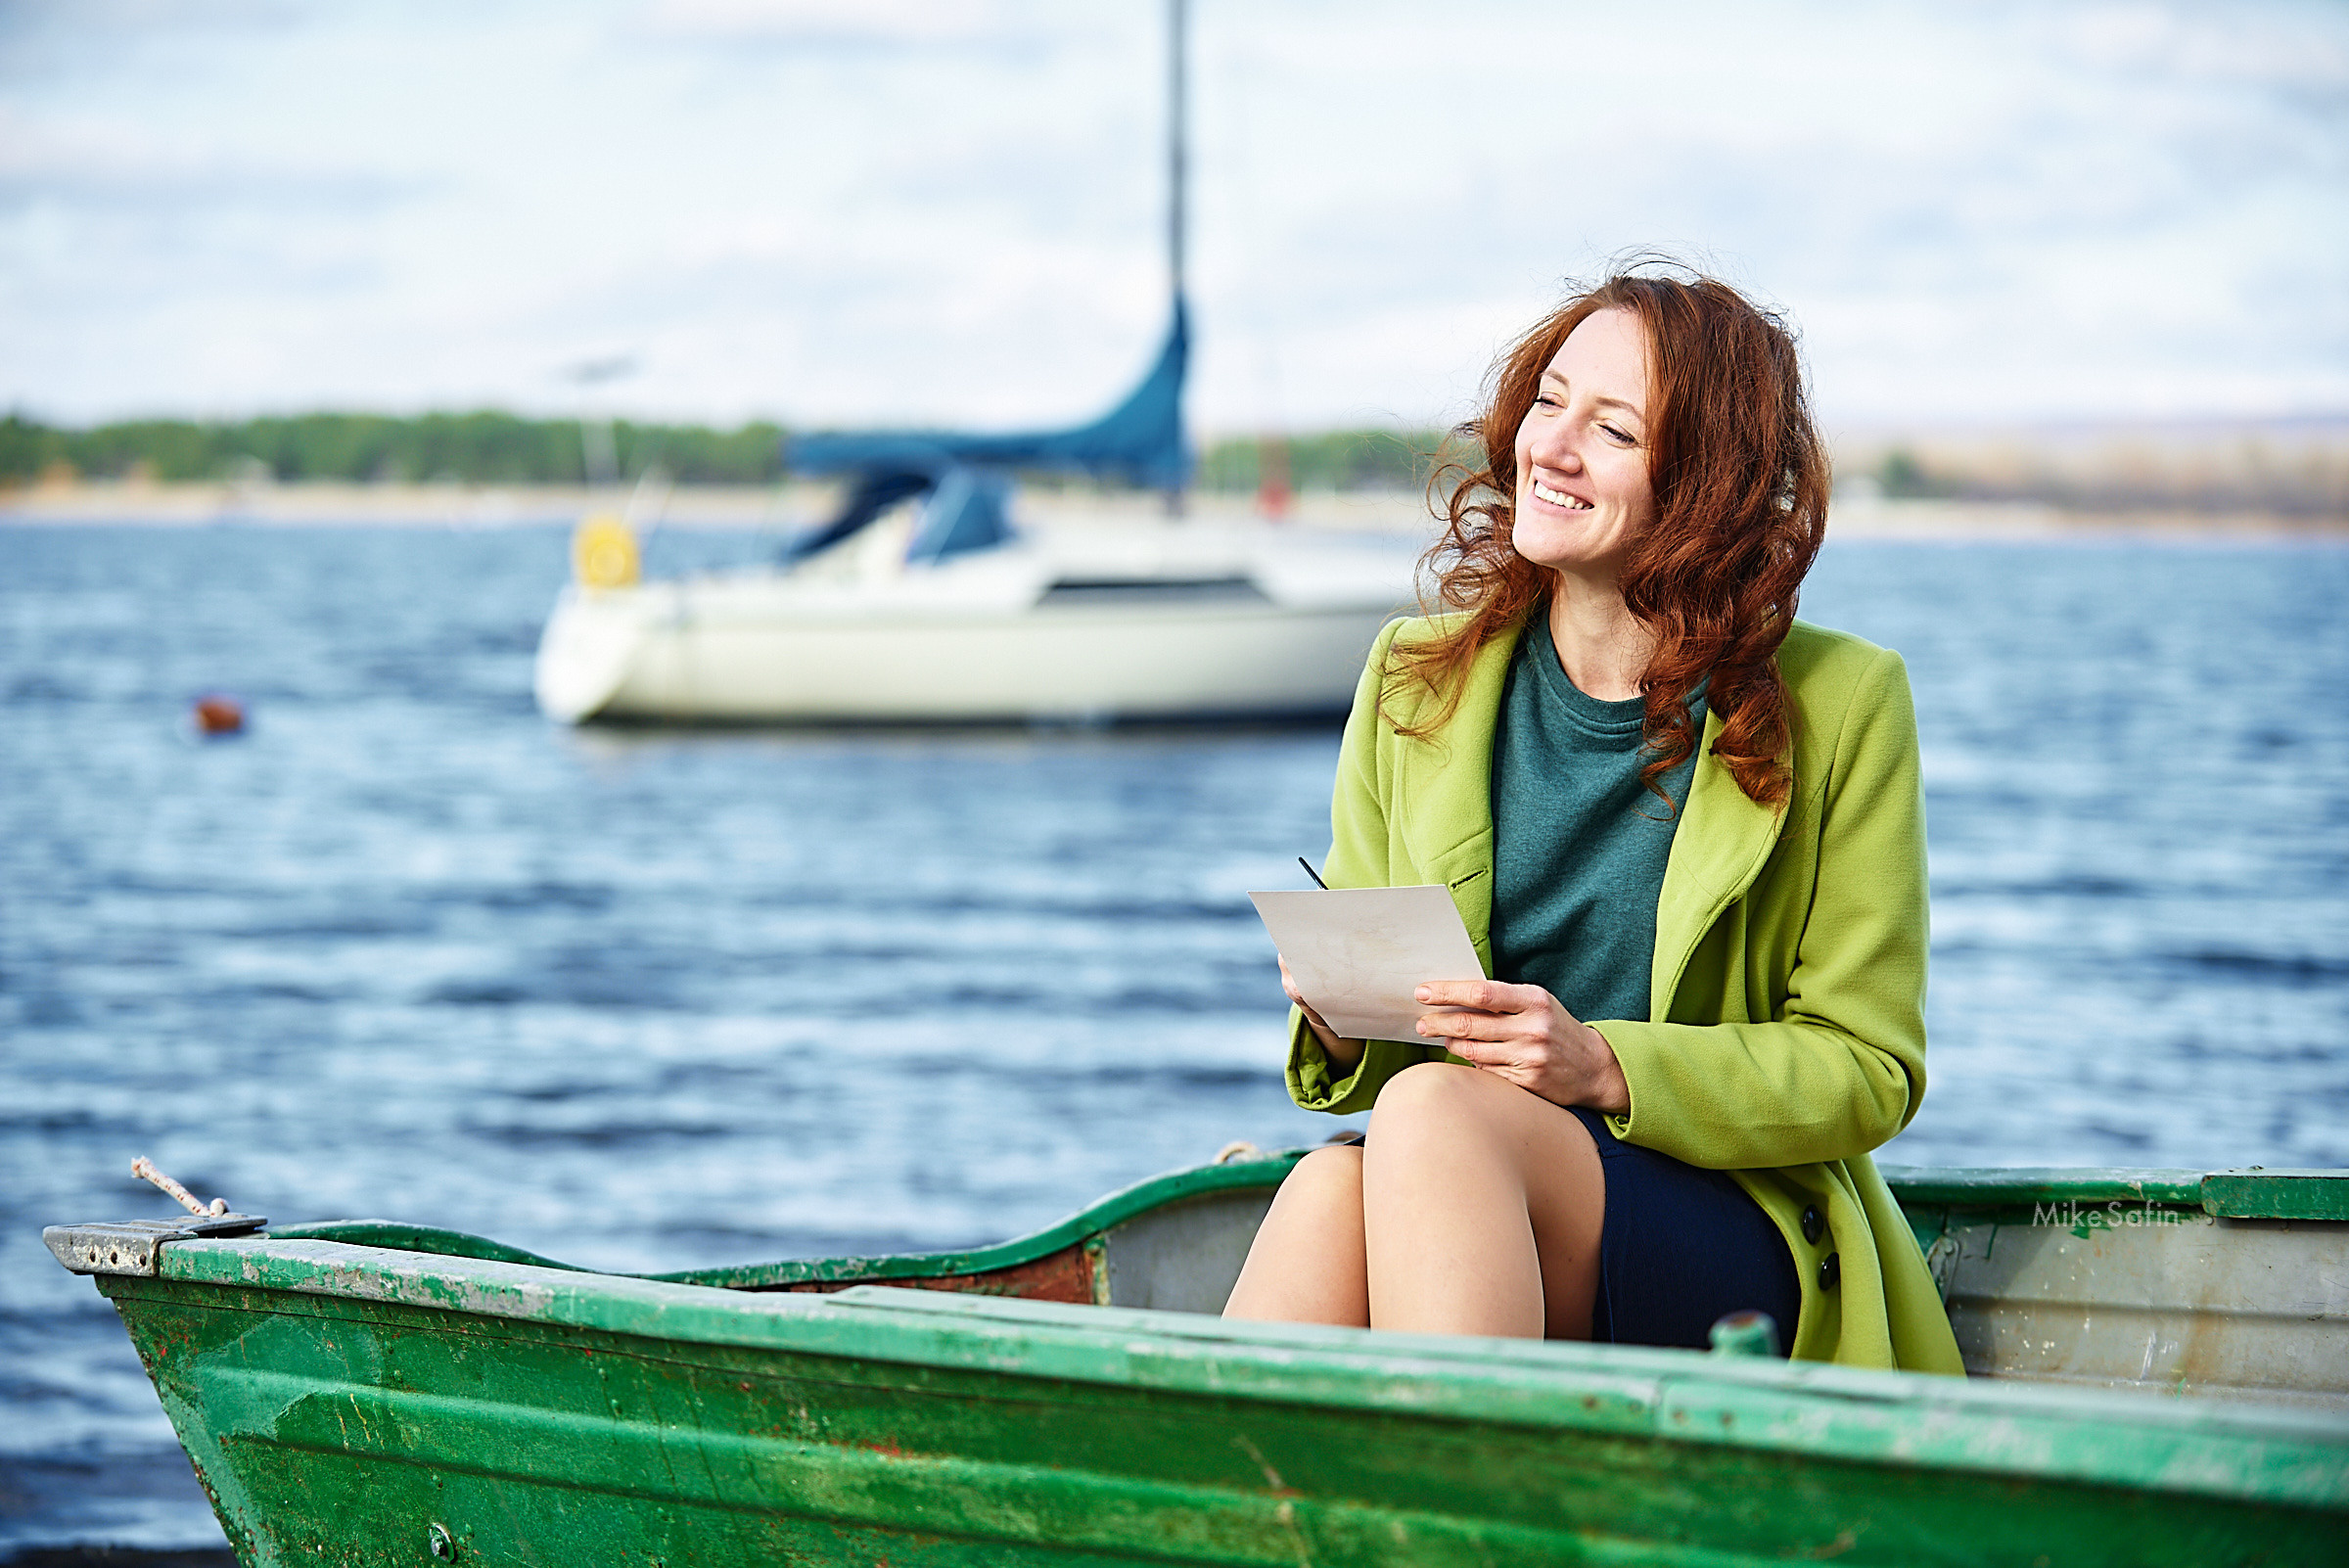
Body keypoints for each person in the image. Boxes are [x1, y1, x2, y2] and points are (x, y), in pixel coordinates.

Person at [1221, 263, 1963, 1372]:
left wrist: (1604, 1064)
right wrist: (1341, 1012)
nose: (1549, 447)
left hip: (1725, 1221)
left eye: (1611, 429)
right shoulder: (1410, 679)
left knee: (1426, 1122)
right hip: (1470, 1179)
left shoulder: (1844, 703)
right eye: (1549, 401)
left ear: (1705, 486)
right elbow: (1401, 1061)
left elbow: (1867, 1066)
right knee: (1333, 1182)